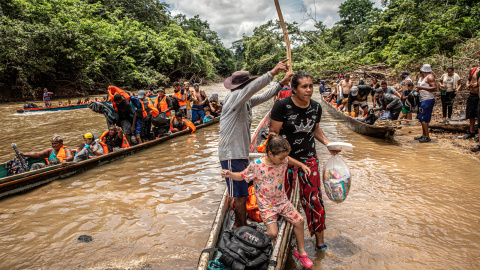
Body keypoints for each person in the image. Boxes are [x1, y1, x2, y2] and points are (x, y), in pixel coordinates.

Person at [269, 71, 340, 251]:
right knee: (281, 199)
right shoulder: (281, 106)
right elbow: (272, 135)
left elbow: (315, 130)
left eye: (311, 86)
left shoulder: (316, 107)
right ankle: (280, 238)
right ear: (294, 89)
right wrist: (280, 158)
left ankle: (319, 242)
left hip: (309, 159)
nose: (309, 90)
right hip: (284, 161)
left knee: (314, 199)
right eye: (304, 86)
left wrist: (328, 143)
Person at [219, 59, 292, 230]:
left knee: (243, 189)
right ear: (245, 86)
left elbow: (263, 96)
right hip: (231, 153)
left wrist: (281, 83)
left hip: (240, 152)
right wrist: (273, 73)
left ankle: (242, 222)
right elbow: (253, 89)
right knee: (239, 193)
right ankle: (239, 224)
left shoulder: (244, 101)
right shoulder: (234, 98)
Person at [222, 134, 313, 268]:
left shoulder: (283, 159)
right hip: (267, 206)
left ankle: (301, 252)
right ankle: (253, 244)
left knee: (299, 221)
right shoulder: (256, 165)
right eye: (281, 158)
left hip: (282, 201)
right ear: (270, 154)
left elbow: (289, 160)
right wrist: (230, 174)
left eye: (284, 158)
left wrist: (302, 165)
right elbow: (242, 176)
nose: (284, 161)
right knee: (272, 233)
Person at [415, 64, 437, 143]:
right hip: (422, 99)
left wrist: (422, 88)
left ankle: (427, 136)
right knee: (422, 118)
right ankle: (423, 134)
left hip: (428, 99)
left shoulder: (430, 77)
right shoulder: (422, 78)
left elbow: (435, 88)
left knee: (423, 118)